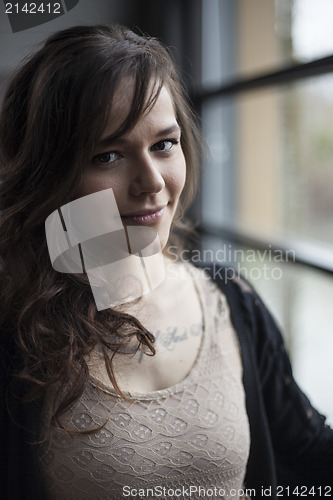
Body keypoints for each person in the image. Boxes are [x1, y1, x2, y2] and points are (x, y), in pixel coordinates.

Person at [0, 24, 332, 500]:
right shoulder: (16, 334)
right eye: (108, 154)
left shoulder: (228, 298)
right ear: (49, 172)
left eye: (163, 145)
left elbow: (307, 449)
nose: (151, 182)